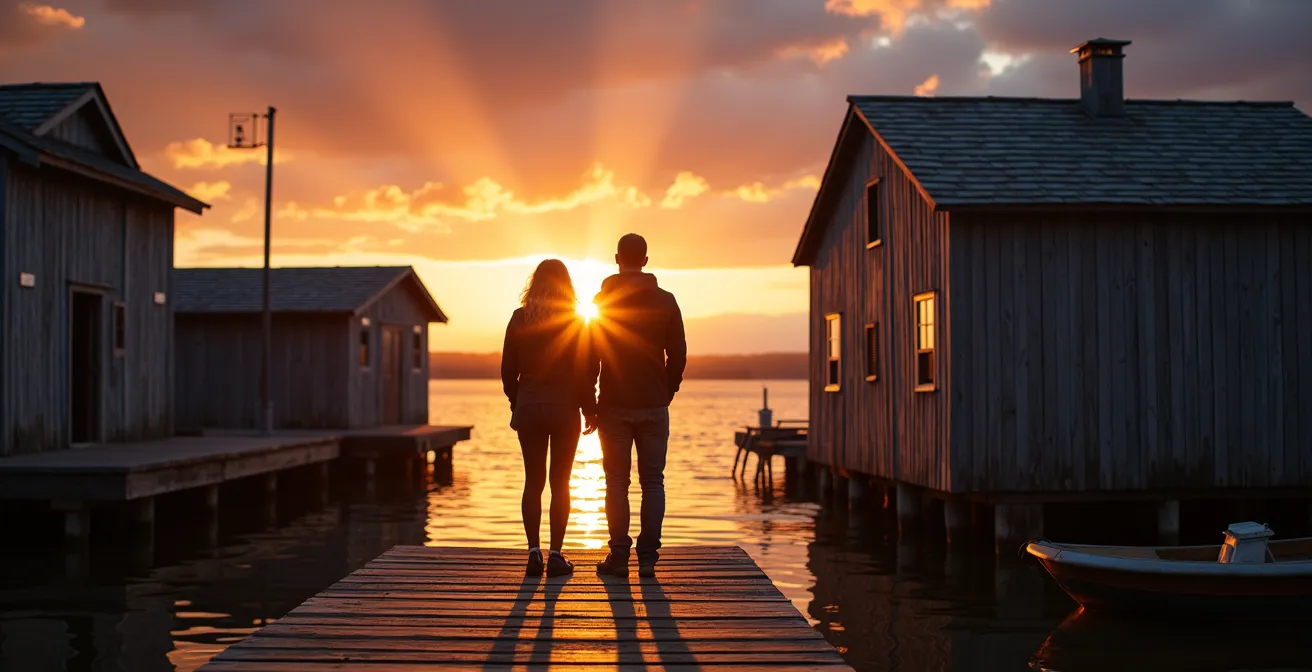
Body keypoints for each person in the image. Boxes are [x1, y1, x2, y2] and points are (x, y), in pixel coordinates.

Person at [586, 233, 687, 578]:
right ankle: (647, 559)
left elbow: (590, 352)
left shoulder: (602, 301)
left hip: (614, 402)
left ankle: (618, 557)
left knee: (616, 480)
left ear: (617, 258)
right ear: (645, 260)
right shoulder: (666, 300)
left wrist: (590, 400)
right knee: (653, 481)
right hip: (653, 403)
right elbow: (678, 352)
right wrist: (667, 389)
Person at [501, 259, 596, 577]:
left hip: (529, 408)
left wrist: (518, 403)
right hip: (563, 409)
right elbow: (585, 369)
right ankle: (556, 554)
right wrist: (589, 407)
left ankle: (533, 553)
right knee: (561, 483)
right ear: (566, 287)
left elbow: (507, 371)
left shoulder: (518, 318)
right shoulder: (574, 320)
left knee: (533, 481)